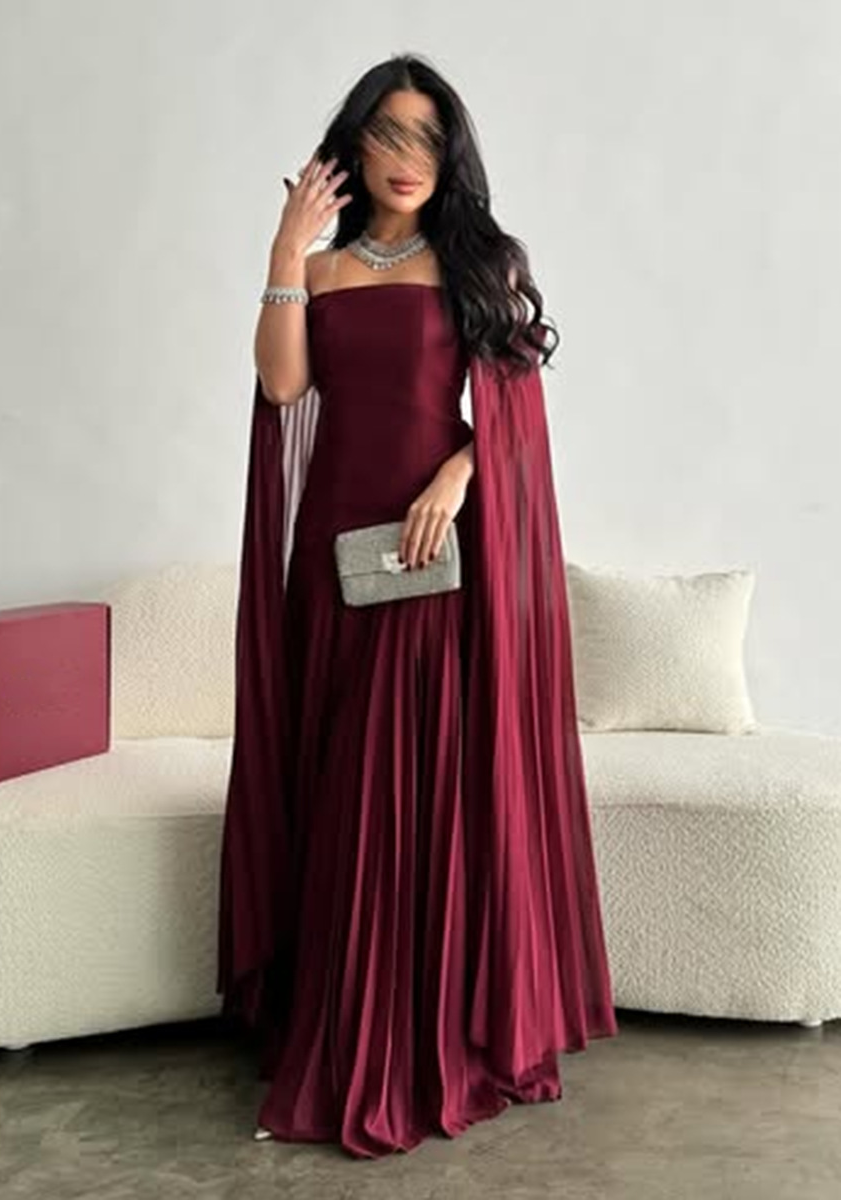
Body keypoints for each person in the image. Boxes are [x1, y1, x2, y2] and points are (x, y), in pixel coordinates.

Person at [217, 52, 619, 1160]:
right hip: (333, 563)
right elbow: (284, 387)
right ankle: (344, 1027)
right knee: (346, 794)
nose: (409, 158)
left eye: (430, 139)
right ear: (355, 145)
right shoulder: (326, 270)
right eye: (390, 134)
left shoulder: (477, 263)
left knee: (420, 793)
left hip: (434, 557)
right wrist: (284, 252)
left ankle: (425, 1033)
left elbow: (518, 418)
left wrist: (461, 469)